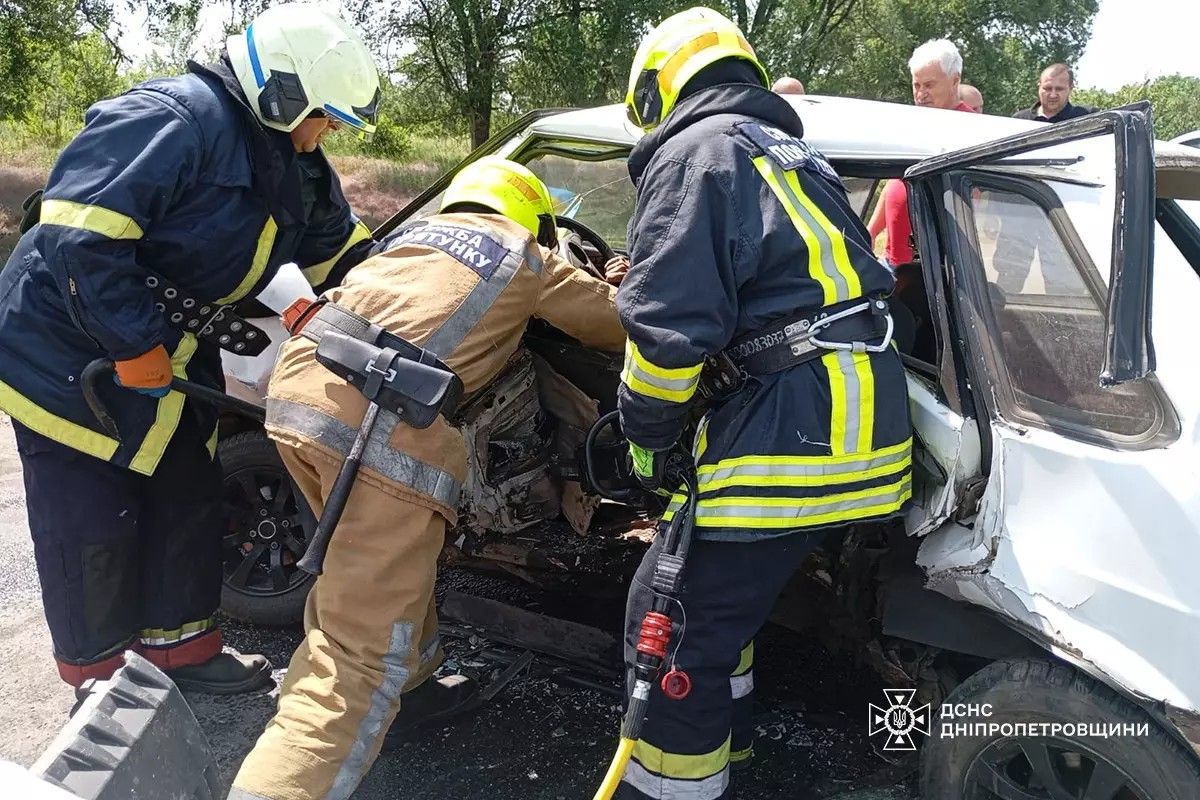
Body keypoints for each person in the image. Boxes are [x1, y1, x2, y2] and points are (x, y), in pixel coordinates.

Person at [0, 3, 378, 695]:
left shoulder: (295, 157)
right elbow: (80, 237)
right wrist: (133, 343)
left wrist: (392, 293)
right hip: (65, 349)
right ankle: (104, 680)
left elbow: (343, 252)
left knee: (186, 495)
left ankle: (183, 653)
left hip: (168, 350)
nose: (324, 135)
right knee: (93, 521)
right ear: (281, 92)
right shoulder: (169, 121)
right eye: (323, 117)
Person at [229, 156, 627, 800]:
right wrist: (617, 280)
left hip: (297, 401)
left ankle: (412, 689)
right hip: (379, 435)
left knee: (365, 567)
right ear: (533, 218)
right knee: (352, 660)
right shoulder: (524, 254)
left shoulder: (406, 240)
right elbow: (612, 324)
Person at [614, 8, 912, 798]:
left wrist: (645, 437)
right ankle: (730, 750)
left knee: (669, 622)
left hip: (794, 428)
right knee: (717, 614)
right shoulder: (787, 153)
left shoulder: (694, 151)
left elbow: (669, 335)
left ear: (660, 87)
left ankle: (672, 787)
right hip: (859, 426)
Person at [868, 39, 975, 267]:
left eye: (929, 85)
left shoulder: (971, 131)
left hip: (937, 267)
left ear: (955, 81)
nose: (921, 94)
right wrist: (872, 231)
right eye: (916, 85)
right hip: (895, 259)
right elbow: (894, 183)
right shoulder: (913, 125)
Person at [1013, 63, 1095, 123]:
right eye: (1047, 88)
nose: (1052, 95)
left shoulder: (1089, 117)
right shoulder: (1019, 120)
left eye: (1059, 89)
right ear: (1039, 87)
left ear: (1070, 88)